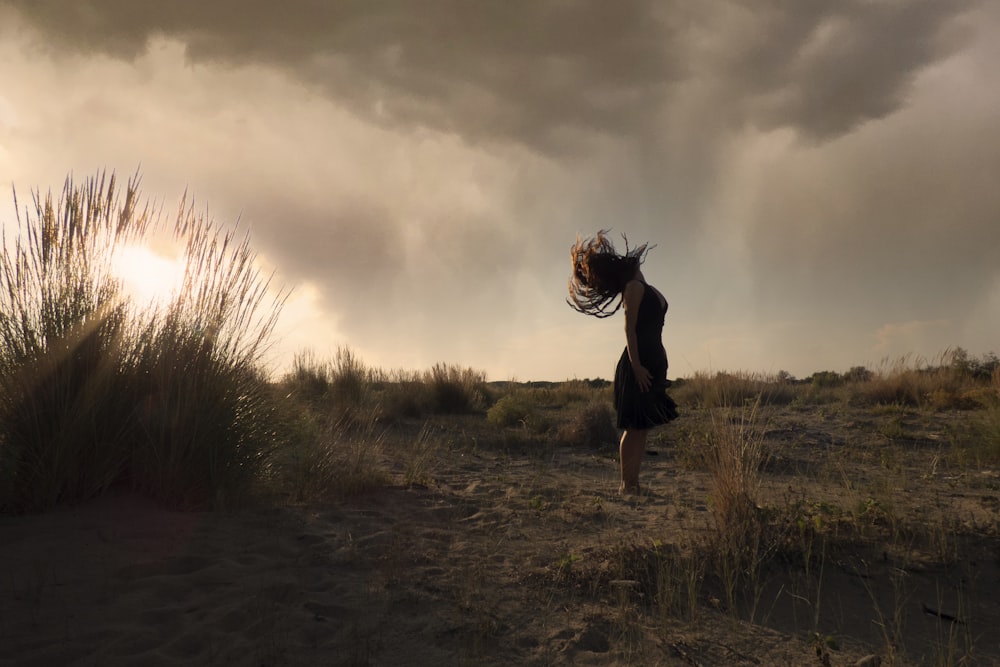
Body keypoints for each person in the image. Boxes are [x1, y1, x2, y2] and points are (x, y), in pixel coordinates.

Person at [568, 230, 678, 494]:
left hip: (652, 360)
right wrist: (637, 365)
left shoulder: (643, 286)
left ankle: (634, 483)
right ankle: (626, 485)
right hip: (637, 363)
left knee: (643, 427)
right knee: (633, 426)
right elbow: (629, 330)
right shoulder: (633, 288)